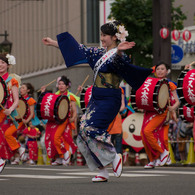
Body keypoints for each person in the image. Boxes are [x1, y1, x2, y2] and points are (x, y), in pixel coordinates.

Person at [42, 20, 152, 182]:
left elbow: (122, 67)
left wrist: (119, 52)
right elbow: (79, 49)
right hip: (96, 98)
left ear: (115, 37)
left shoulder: (122, 55)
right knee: (83, 132)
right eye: (101, 35)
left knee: (93, 129)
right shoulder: (97, 53)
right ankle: (102, 170)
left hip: (110, 98)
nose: (102, 38)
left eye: (105, 35)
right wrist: (54, 43)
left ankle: (113, 157)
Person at [142, 62, 180, 169]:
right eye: (158, 69)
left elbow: (177, 101)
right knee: (143, 136)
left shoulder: (169, 84)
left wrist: (172, 109)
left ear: (167, 71)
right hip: (149, 112)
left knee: (149, 132)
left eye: (162, 69)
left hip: (161, 113)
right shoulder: (150, 82)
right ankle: (152, 160)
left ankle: (162, 153)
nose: (160, 71)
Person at [41, 75, 78, 166]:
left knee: (56, 137)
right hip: (54, 120)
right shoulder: (55, 96)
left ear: (67, 86)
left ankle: (65, 153)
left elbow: (74, 111)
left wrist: (73, 119)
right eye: (59, 84)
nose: (61, 86)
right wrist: (43, 93)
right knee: (50, 138)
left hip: (64, 121)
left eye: (63, 84)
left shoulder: (70, 97)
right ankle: (58, 158)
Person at [9, 83, 37, 165]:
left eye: (23, 88)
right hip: (16, 121)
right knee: (13, 138)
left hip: (24, 123)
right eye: (20, 88)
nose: (21, 89)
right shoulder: (18, 99)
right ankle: (17, 157)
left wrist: (27, 120)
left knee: (17, 138)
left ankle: (25, 155)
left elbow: (31, 113)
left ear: (28, 90)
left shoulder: (30, 100)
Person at [0, 53, 19, 172]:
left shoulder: (11, 80)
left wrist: (10, 110)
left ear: (8, 65)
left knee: (2, 138)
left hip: (6, 114)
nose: (0, 65)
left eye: (2, 63)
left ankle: (1, 160)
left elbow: (16, 100)